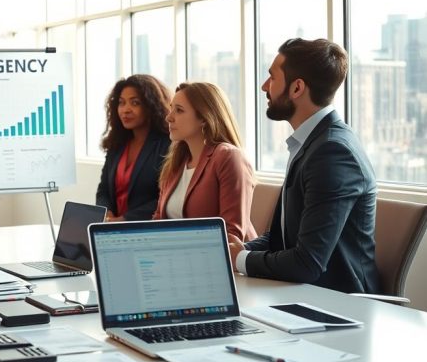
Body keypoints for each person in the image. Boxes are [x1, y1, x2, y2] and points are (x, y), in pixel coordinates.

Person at [229, 38, 379, 294]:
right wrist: (240, 251)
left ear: (297, 88)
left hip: (341, 304)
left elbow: (306, 263)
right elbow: (284, 238)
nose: (264, 86)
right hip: (303, 293)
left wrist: (239, 260)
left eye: (272, 78)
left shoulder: (332, 152)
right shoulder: (311, 143)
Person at [153, 82, 257, 243]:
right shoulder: (176, 162)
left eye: (179, 110)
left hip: (226, 262)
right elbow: (158, 221)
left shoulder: (228, 157)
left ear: (204, 118)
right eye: (171, 108)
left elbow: (231, 235)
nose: (169, 117)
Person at [96, 74, 172, 221]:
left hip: (146, 230)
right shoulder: (117, 143)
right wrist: (107, 214)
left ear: (151, 106)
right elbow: (103, 190)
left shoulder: (167, 145)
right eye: (121, 103)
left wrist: (124, 220)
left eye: (135, 103)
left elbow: (166, 197)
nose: (126, 110)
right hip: (112, 229)